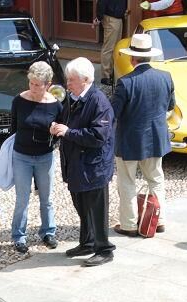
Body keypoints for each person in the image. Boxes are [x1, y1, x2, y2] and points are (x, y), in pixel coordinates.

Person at [51, 57, 116, 267]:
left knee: (96, 209)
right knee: (82, 206)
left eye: (71, 80)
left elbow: (98, 136)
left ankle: (104, 249)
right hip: (77, 164)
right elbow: (66, 122)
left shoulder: (99, 102)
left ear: (86, 80)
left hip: (94, 166)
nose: (67, 83)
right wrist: (57, 127)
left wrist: (68, 132)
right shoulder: (73, 98)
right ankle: (87, 242)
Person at [112, 33, 174, 237]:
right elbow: (170, 106)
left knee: (127, 182)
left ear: (132, 58)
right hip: (155, 137)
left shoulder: (125, 82)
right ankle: (159, 220)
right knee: (156, 179)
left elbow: (114, 113)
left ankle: (129, 224)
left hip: (129, 139)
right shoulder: (165, 77)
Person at [8, 62, 62, 254]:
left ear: (48, 85)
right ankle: (19, 236)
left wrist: (54, 132)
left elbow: (60, 133)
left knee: (46, 198)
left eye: (37, 84)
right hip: (21, 156)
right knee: (22, 198)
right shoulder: (19, 100)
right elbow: (13, 128)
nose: (33, 87)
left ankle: (48, 232)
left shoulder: (56, 105)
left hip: (45, 156)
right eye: (31, 83)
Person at [94, 0, 125, 86]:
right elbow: (101, 2)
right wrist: (99, 17)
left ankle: (111, 73)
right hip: (111, 19)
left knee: (116, 47)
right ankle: (105, 76)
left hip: (118, 19)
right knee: (109, 48)